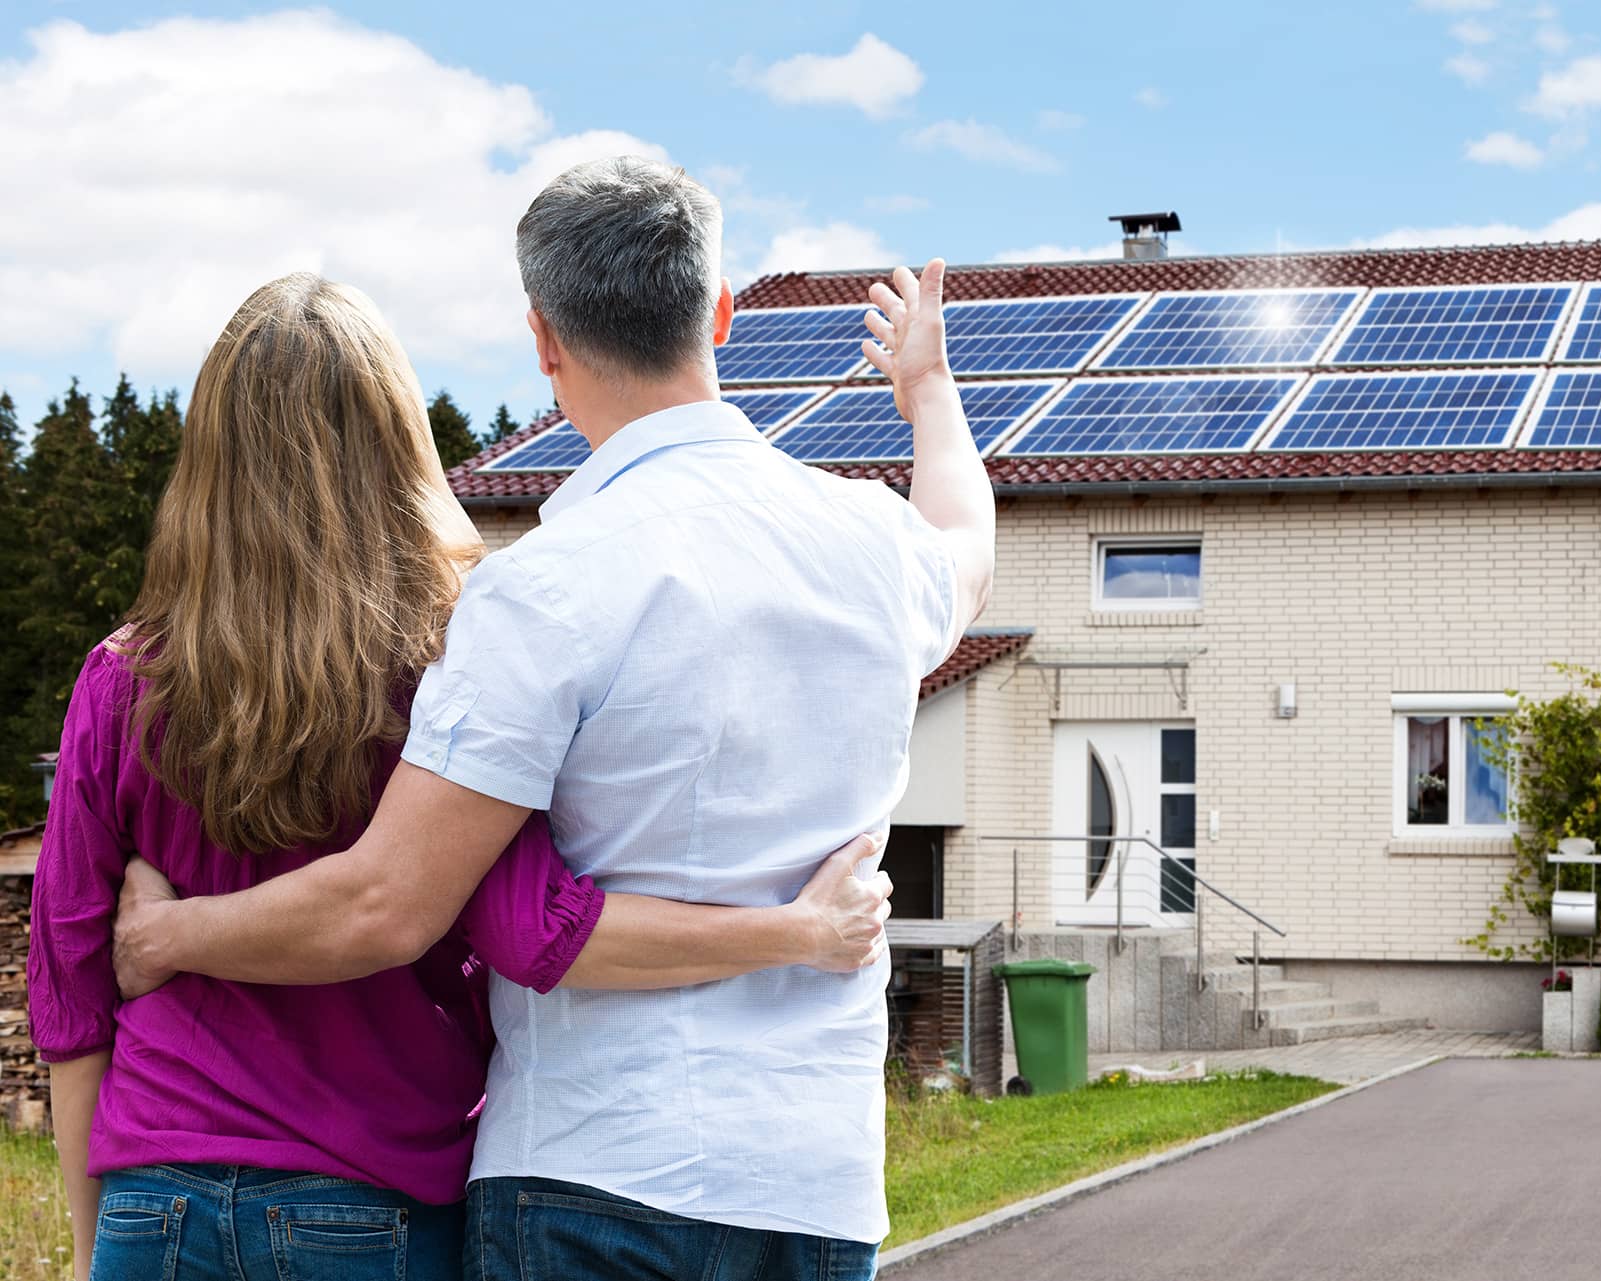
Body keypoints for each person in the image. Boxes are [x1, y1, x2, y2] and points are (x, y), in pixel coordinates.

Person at [111, 156, 993, 1279]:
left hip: (590, 1172)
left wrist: (168, 936)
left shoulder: (545, 588)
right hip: (810, 1187)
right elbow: (969, 547)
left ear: (543, 339)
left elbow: (388, 903)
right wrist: (928, 393)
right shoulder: (874, 549)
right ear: (718, 313)